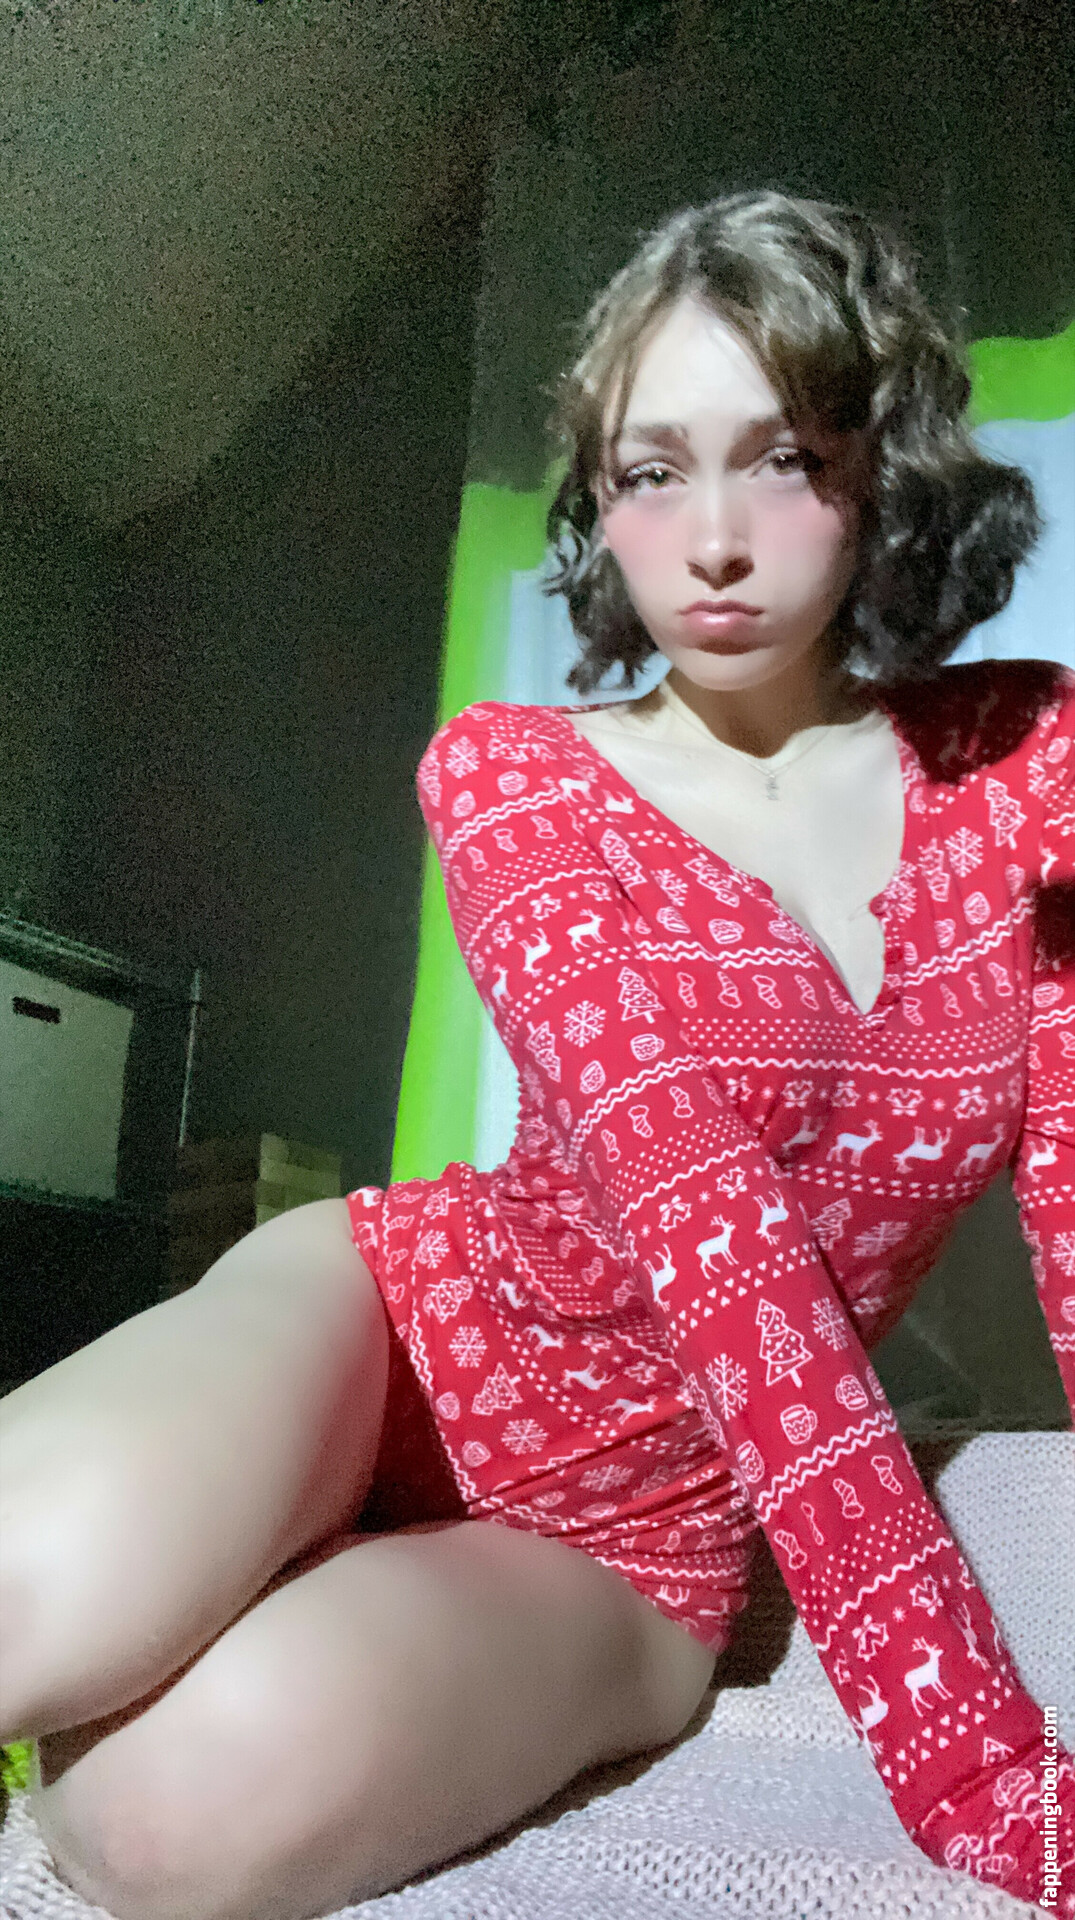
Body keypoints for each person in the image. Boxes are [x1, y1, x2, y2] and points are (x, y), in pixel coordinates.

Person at [2, 189, 1072, 1920]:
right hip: (400, 1328)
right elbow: (704, 1220)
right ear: (600, 504)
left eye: (783, 458)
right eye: (654, 471)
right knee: (30, 1592)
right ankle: (247, 1529)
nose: (712, 538)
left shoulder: (1024, 766)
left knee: (148, 1825)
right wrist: (974, 1765)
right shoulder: (517, 774)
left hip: (636, 1537)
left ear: (881, 467)